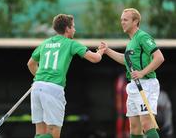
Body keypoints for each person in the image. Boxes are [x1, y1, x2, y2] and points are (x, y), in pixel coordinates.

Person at [27, 14, 105, 138]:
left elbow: (31, 64)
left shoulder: (45, 43)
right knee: (54, 133)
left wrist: (42, 79)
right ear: (67, 29)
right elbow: (95, 58)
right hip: (53, 89)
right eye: (73, 27)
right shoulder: (70, 43)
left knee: (40, 132)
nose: (74, 29)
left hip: (37, 87)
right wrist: (101, 50)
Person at [100, 8, 165, 138]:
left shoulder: (142, 37)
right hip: (134, 86)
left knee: (147, 125)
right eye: (121, 20)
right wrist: (107, 51)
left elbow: (159, 57)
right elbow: (126, 60)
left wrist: (142, 73)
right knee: (134, 128)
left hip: (146, 84)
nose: (122, 23)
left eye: (125, 20)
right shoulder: (131, 42)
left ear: (135, 21)